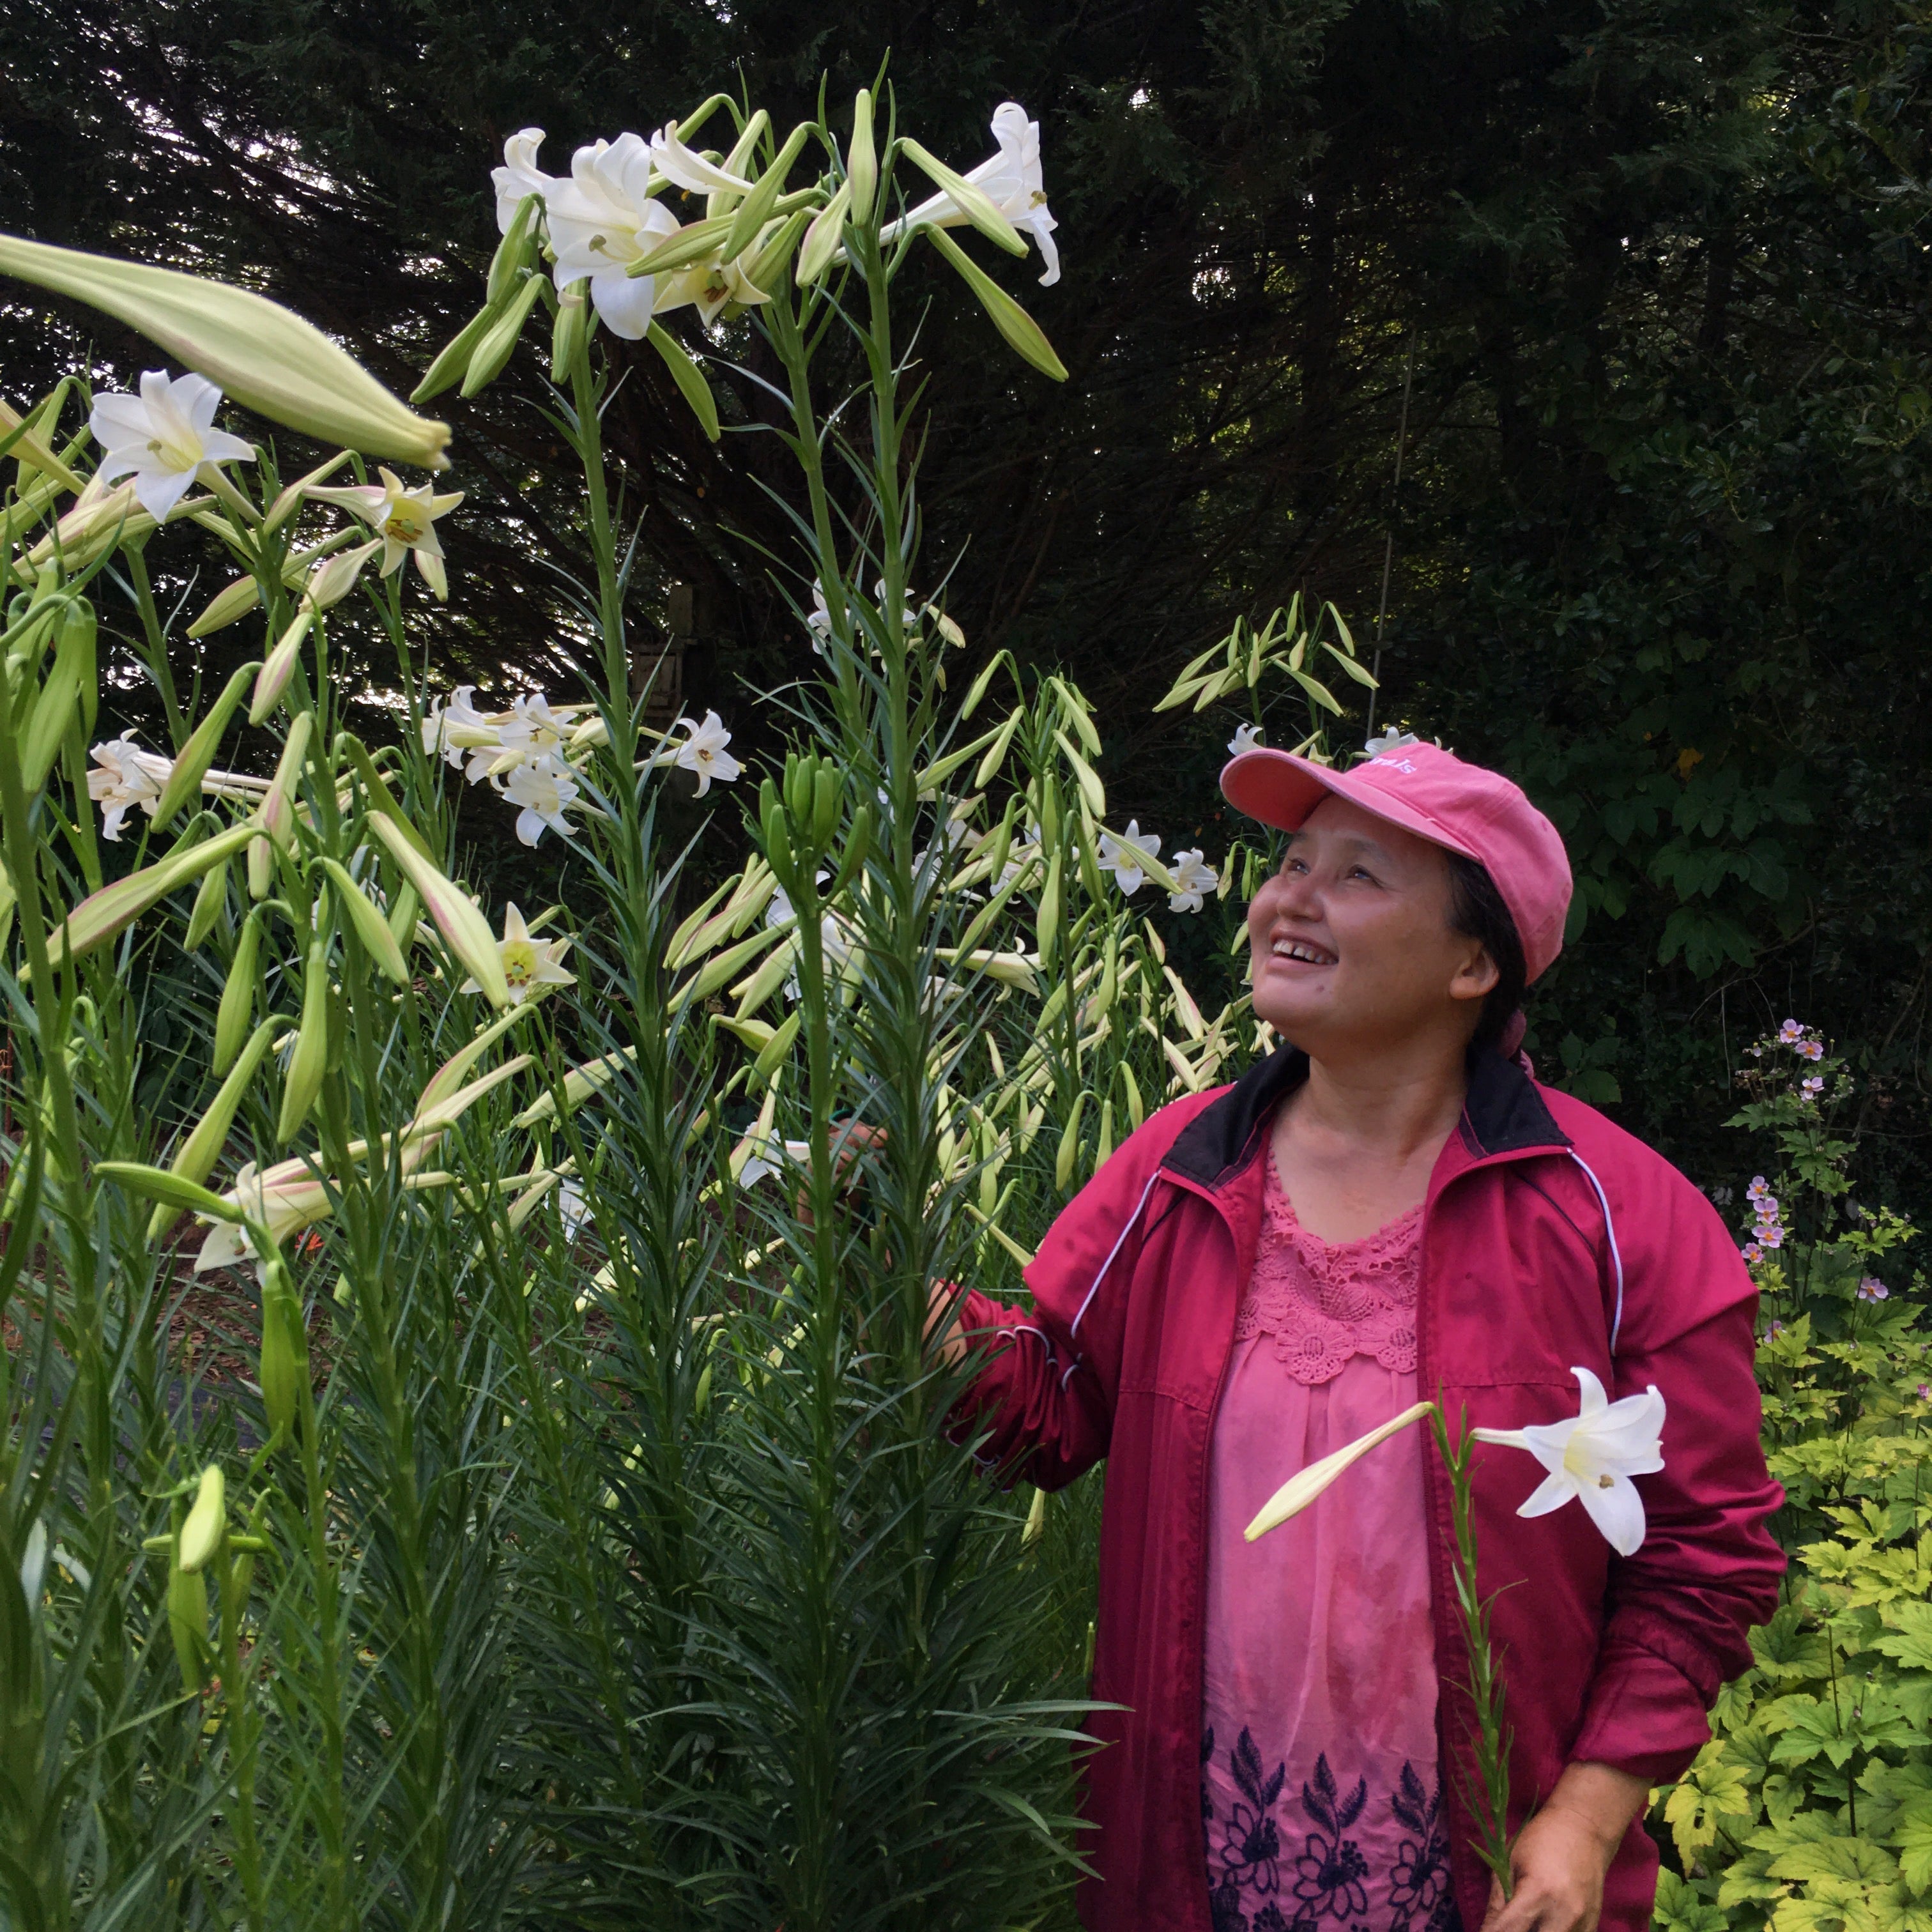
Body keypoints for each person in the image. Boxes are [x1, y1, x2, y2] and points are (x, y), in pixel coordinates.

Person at [937, 739, 1784, 1932]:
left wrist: (1587, 1820)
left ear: (1474, 962)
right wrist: (895, 1301)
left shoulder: (1621, 1214)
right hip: (1180, 1868)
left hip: (1493, 1875)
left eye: (1359, 874)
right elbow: (1051, 1409)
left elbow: (1707, 1558)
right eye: (1291, 861)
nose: (1291, 894)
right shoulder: (1179, 1170)